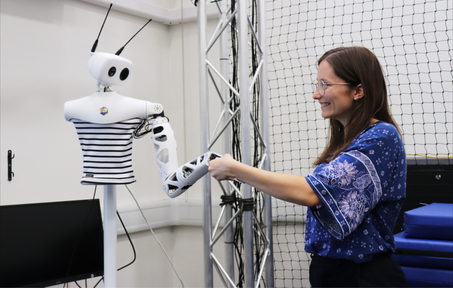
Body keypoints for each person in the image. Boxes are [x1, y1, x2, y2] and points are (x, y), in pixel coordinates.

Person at [208, 46, 408, 287]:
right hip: (330, 271)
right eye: (317, 85)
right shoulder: (347, 142)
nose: (316, 94)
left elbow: (311, 192)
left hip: (363, 275)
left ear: (359, 90)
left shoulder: (381, 136)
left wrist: (236, 169)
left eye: (325, 85)